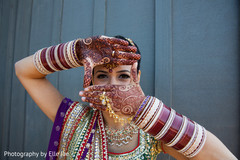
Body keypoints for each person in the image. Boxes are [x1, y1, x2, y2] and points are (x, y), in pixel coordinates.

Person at [15, 35, 237, 160]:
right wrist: (75, 52)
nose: (112, 85)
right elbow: (23, 70)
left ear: (136, 78)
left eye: (123, 76)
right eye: (101, 75)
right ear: (90, 80)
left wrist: (145, 109)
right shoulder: (75, 117)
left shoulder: (153, 132)